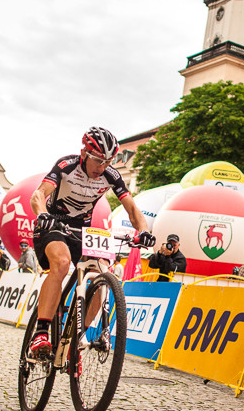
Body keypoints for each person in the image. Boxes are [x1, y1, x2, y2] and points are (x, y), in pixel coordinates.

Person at [28, 126, 154, 359]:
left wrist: (143, 230)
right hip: (53, 224)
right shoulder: (66, 166)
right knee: (62, 263)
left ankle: (75, 339)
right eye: (98, 161)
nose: (102, 167)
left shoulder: (110, 175)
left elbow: (131, 207)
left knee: (101, 278)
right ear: (84, 153)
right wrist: (42, 215)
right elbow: (38, 195)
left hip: (81, 231)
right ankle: (41, 332)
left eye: (108, 161)